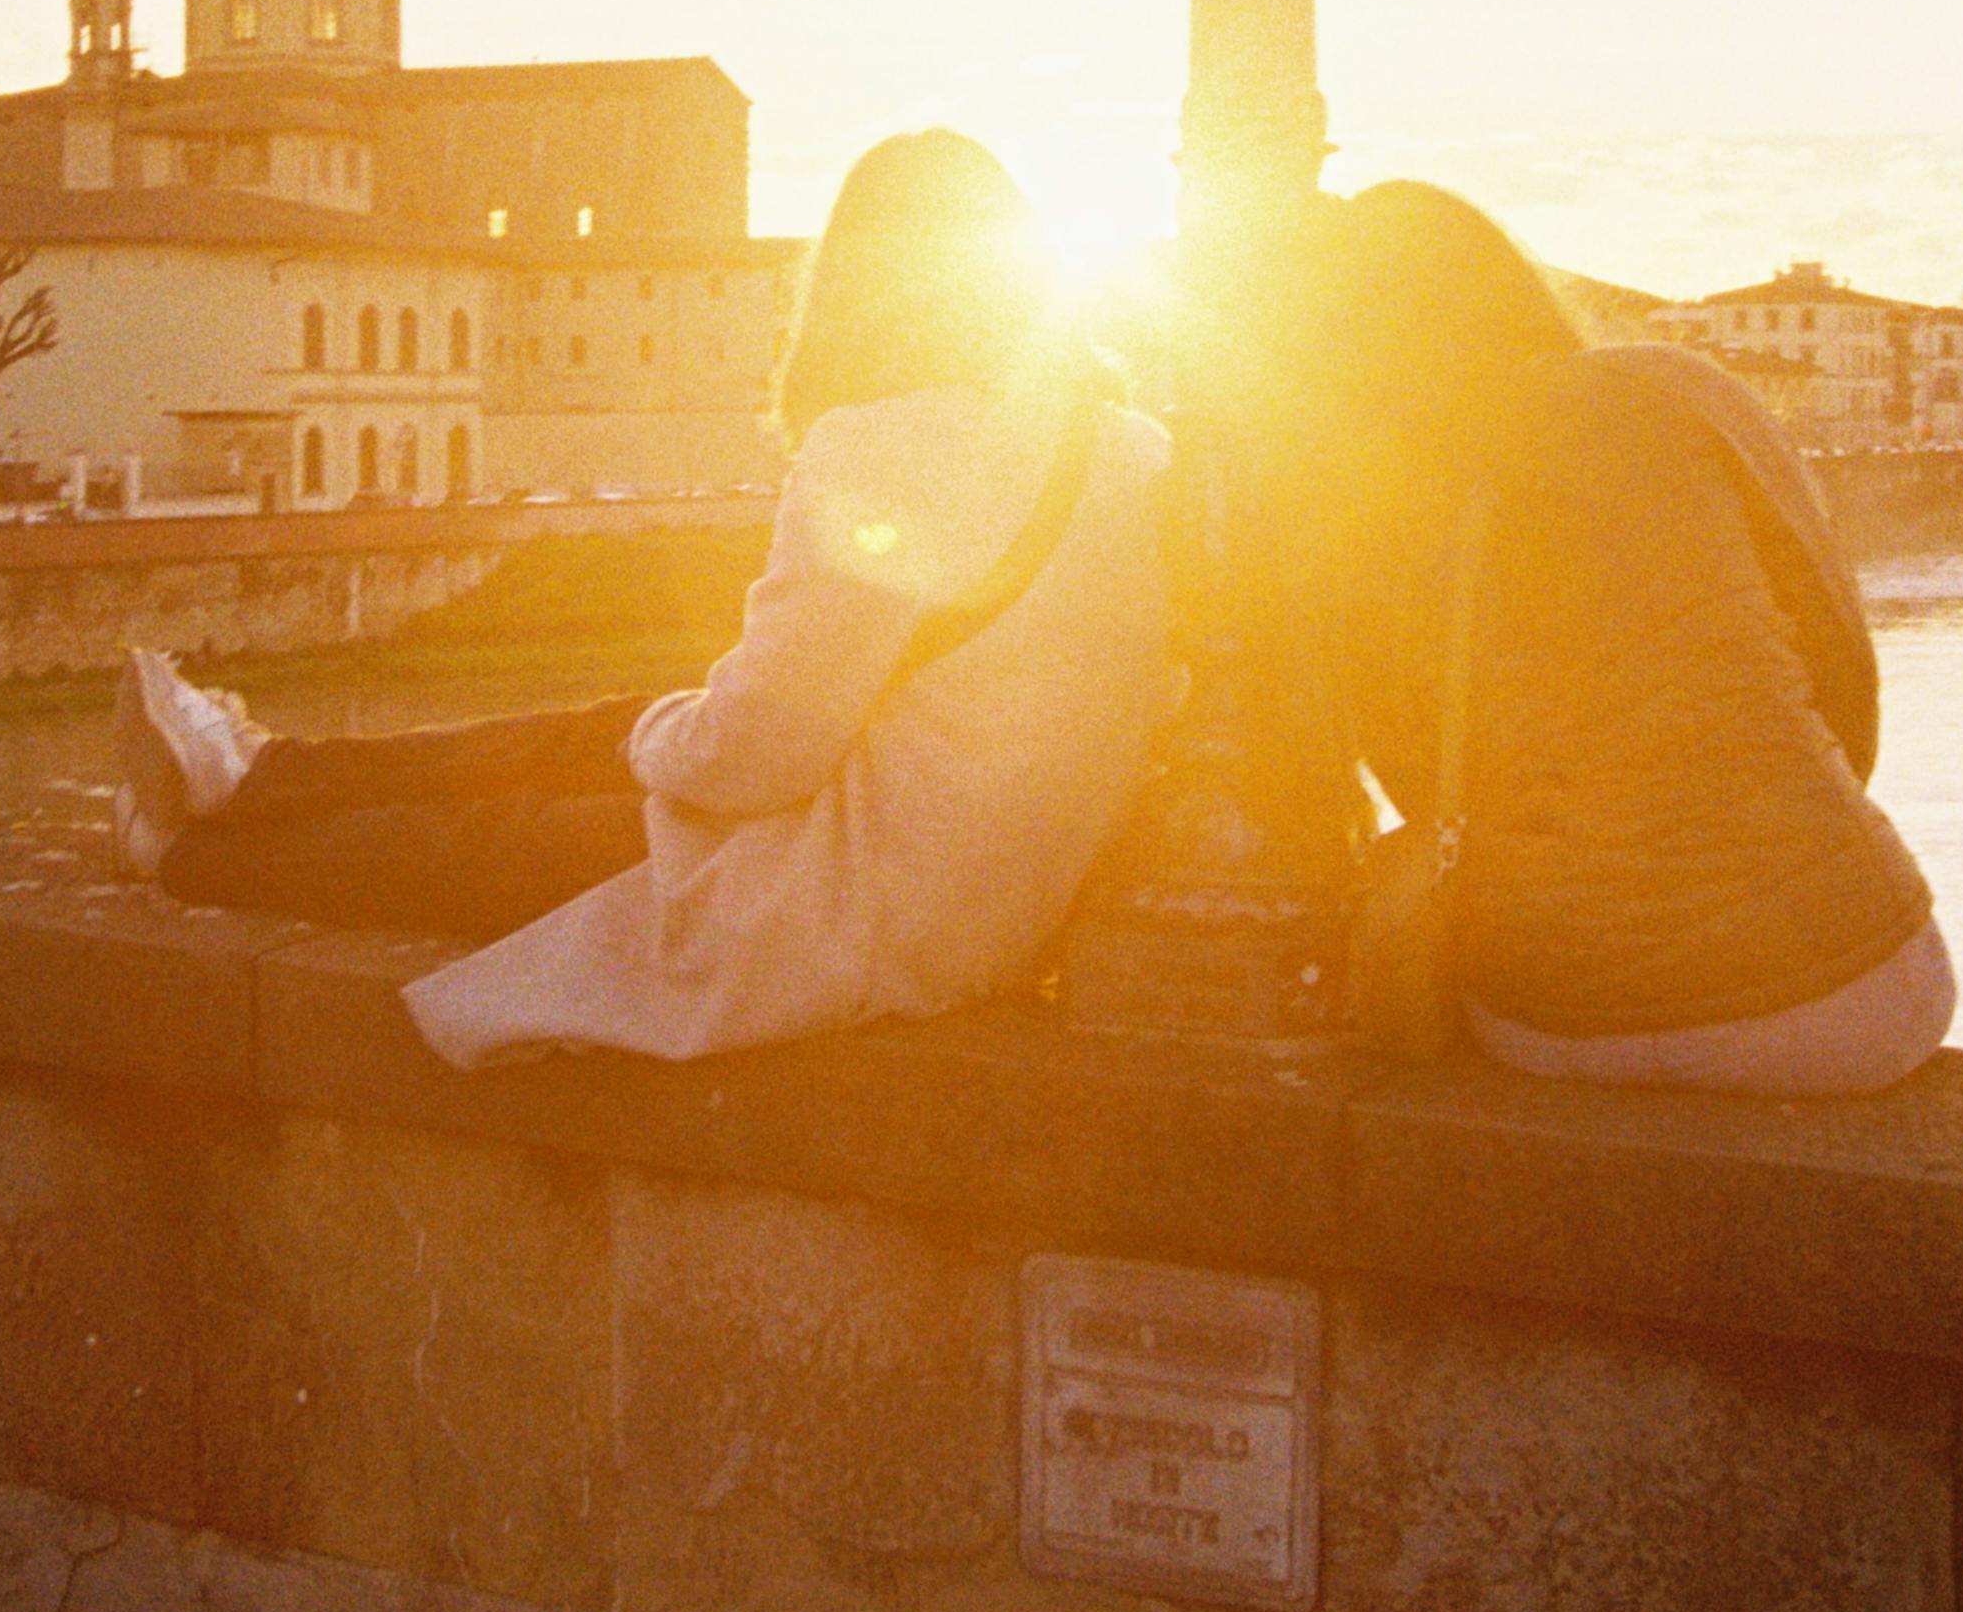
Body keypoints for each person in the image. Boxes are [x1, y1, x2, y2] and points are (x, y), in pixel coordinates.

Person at [113, 131, 1172, 1066]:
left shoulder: (884, 445)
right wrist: (657, 733)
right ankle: (256, 769)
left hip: (868, 899)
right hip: (994, 895)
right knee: (592, 735)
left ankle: (199, 848)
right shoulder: (1133, 448)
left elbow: (765, 753)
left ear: (851, 285)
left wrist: (656, 744)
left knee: (507, 840)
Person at [1288, 180, 1952, 1093]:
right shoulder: (1668, 390)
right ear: (1505, 286)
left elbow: (1429, 784)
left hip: (1554, 1023)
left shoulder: (1353, 516)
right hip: (1850, 999)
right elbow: (1840, 659)